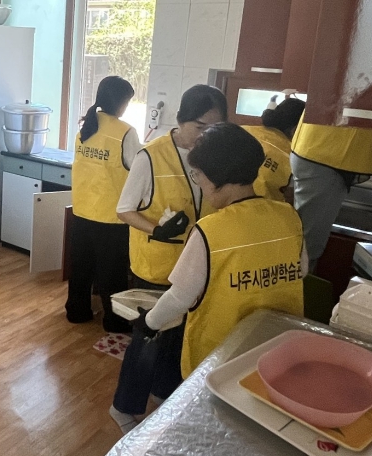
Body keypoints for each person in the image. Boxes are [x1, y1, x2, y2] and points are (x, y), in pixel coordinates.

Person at [109, 123, 306, 433]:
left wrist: (149, 323)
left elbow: (180, 296)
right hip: (273, 345)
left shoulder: (210, 230)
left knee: (215, 425)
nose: (198, 183)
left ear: (217, 177)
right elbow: (301, 269)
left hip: (220, 351)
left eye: (198, 175)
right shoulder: (287, 216)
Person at [111, 84, 227, 429]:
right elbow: (124, 210)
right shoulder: (150, 157)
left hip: (195, 268)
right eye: (201, 127)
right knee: (149, 340)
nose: (207, 135)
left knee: (179, 339)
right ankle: (124, 406)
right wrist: (157, 230)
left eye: (215, 128)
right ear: (180, 119)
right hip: (156, 268)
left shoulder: (213, 156)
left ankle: (164, 394)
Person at [65, 76, 139, 333]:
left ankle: (76, 312)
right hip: (110, 217)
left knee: (81, 268)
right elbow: (139, 170)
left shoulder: (85, 128)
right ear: (120, 102)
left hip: (82, 211)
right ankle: (115, 321)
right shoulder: (125, 132)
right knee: (112, 274)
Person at [291, 110, 372, 271]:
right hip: (329, 152)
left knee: (305, 245)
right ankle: (294, 287)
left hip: (327, 147)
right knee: (306, 250)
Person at [242, 97, 305, 202]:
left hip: (216, 206)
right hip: (259, 209)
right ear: (295, 130)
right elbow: (291, 198)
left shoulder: (241, 130)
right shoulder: (292, 158)